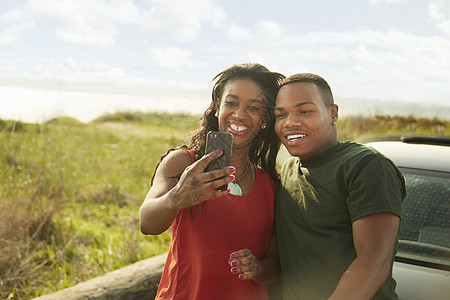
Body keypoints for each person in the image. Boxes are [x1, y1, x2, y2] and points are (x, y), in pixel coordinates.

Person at [139, 63, 285, 299]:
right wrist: (177, 197)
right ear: (218, 105)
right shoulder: (182, 163)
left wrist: (257, 268)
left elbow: (276, 265)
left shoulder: (271, 186)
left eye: (254, 107)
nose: (239, 114)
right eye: (232, 102)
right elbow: (147, 223)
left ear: (266, 118)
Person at [273, 73, 406, 300]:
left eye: (305, 111)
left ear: (332, 114)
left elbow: (373, 262)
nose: (290, 122)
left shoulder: (365, 165)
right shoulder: (287, 170)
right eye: (280, 114)